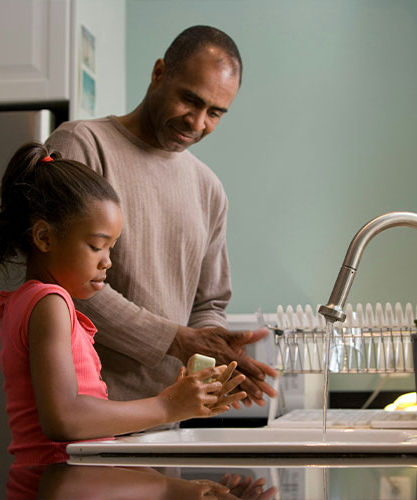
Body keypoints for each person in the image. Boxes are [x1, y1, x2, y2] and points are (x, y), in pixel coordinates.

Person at [44, 25, 277, 406]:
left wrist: (214, 352)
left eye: (215, 112)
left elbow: (209, 304)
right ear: (158, 74)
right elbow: (63, 280)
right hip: (87, 412)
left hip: (170, 416)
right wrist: (176, 339)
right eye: (190, 100)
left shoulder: (208, 188)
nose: (198, 122)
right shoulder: (81, 145)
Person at [0, 142, 247, 466]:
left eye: (112, 248)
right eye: (96, 246)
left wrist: (178, 401)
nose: (108, 262)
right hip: (58, 485)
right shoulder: (50, 303)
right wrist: (167, 406)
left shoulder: (31, 301)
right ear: (44, 238)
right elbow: (65, 418)